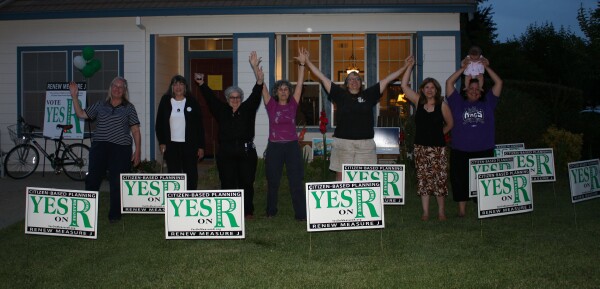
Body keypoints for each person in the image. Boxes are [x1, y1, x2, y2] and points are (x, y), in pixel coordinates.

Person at [303, 50, 411, 180]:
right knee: (341, 176)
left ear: (361, 83)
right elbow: (322, 77)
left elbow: (388, 79)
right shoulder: (340, 94)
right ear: (347, 83)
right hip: (343, 144)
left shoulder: (369, 95)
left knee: (366, 178)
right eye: (351, 79)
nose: (354, 80)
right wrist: (308, 62)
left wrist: (405, 67)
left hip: (365, 145)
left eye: (357, 78)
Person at [195, 55, 264, 219]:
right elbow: (211, 98)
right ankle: (229, 210)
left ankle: (247, 211)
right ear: (227, 99)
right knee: (227, 182)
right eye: (232, 97)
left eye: (238, 97)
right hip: (226, 152)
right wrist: (201, 83)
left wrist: (259, 78)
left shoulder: (247, 109)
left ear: (241, 98)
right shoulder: (221, 110)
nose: (235, 100)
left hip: (246, 151)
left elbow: (256, 94)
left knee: (247, 182)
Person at [69, 77, 141, 223]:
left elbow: (135, 130)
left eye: (121, 87)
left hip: (121, 149)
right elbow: (81, 114)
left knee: (117, 182)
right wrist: (74, 97)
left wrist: (137, 150)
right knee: (92, 180)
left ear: (125, 90)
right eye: (115, 85)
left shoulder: (129, 108)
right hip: (100, 147)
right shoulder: (100, 105)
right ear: (110, 87)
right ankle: (87, 214)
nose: (118, 89)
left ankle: (114, 216)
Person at [249, 49, 307, 221]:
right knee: (273, 182)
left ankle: (301, 214)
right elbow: (262, 85)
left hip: (291, 147)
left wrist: (302, 65)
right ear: (277, 92)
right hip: (274, 146)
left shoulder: (293, 105)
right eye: (280, 89)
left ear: (289, 92)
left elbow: (300, 85)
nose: (283, 91)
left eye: (286, 89)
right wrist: (255, 67)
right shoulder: (271, 105)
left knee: (296, 182)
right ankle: (271, 211)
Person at [445, 56, 503, 217]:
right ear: (465, 90)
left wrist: (487, 67)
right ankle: (462, 210)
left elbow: (499, 83)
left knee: (483, 182)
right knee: (460, 180)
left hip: (484, 150)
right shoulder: (457, 103)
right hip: (460, 150)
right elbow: (449, 83)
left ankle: (483, 208)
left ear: (481, 91)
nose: (474, 91)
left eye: (477, 90)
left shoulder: (488, 103)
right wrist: (463, 69)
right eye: (471, 89)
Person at [401, 56, 453, 221]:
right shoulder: (418, 102)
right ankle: (425, 212)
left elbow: (451, 123)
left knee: (439, 180)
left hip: (438, 149)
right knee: (423, 180)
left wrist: (439, 134)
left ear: (437, 90)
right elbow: (404, 86)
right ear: (422, 90)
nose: (429, 90)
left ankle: (441, 212)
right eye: (426, 87)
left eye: (433, 87)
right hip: (421, 149)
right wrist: (409, 66)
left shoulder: (442, 105)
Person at [155, 75, 205, 190]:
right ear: (172, 87)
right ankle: (175, 197)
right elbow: (159, 124)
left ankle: (190, 196)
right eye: (175, 84)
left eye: (181, 84)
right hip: (171, 145)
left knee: (191, 173)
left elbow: (199, 126)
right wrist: (162, 142)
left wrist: (201, 146)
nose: (178, 87)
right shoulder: (165, 101)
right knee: (174, 173)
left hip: (189, 145)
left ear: (185, 87)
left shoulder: (192, 101)